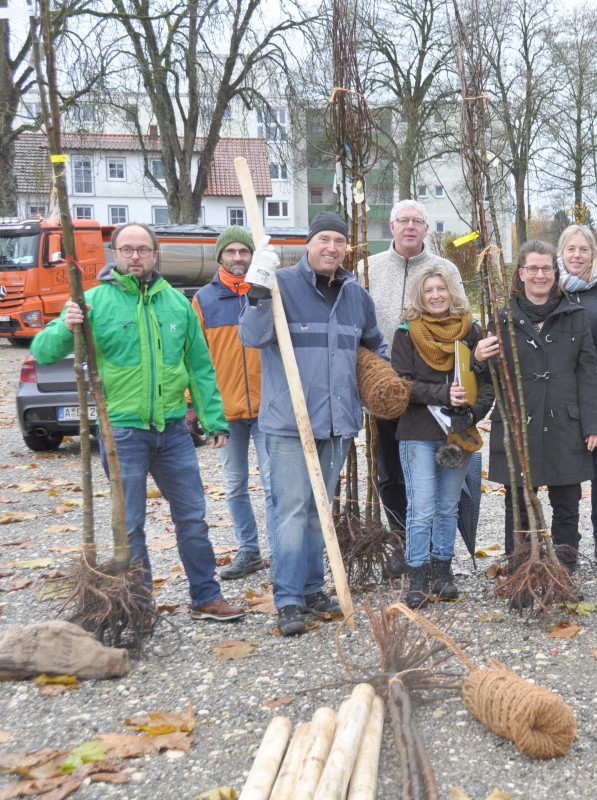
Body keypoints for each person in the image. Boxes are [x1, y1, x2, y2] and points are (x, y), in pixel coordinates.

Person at [31, 222, 245, 622]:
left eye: (142, 250)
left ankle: (206, 598)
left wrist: (214, 421)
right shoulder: (93, 302)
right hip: (122, 432)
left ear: (155, 254)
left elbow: (200, 367)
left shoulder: (177, 304)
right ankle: (140, 605)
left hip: (174, 431)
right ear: (114, 254)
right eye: (126, 249)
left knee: (193, 519)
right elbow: (43, 351)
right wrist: (67, 322)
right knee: (129, 527)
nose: (135, 257)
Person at [239, 211, 387, 637]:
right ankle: (287, 599)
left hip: (338, 424)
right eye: (323, 239)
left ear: (345, 249)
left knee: (318, 512)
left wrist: (388, 384)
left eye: (338, 242)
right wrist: (258, 292)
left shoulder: (355, 295)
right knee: (292, 510)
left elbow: (373, 348)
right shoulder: (281, 285)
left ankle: (310, 588)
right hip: (289, 423)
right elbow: (251, 337)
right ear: (309, 243)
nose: (331, 248)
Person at [475, 240, 597, 585]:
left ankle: (564, 563)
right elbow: (490, 379)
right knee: (518, 498)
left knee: (567, 498)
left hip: (565, 420)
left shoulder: (574, 315)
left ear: (555, 272)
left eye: (547, 268)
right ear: (521, 273)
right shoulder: (502, 318)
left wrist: (592, 423)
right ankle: (521, 563)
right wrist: (478, 360)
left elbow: (588, 373)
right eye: (532, 268)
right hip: (519, 421)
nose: (540, 275)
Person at [362, 199, 475, 578]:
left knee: (439, 481)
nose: (410, 226)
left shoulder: (444, 270)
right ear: (391, 227)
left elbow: (462, 322)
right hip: (387, 389)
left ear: (427, 229)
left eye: (417, 221)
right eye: (403, 221)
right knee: (391, 472)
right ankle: (401, 543)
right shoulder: (371, 269)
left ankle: (436, 555)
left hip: (441, 399)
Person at [390, 263, 494, 609]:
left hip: (458, 435)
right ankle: (417, 576)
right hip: (418, 432)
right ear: (420, 297)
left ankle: (442, 572)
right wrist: (443, 395)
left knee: (448, 506)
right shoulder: (406, 333)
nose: (436, 296)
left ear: (452, 292)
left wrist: (470, 415)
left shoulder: (471, 331)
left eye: (441, 289)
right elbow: (402, 384)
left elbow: (487, 386)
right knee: (421, 509)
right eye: (429, 291)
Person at [192, 226, 275, 580]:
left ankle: (281, 551)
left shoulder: (268, 291)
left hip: (269, 406)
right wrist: (195, 406)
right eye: (232, 252)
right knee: (235, 484)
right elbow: (193, 359)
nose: (238, 258)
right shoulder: (204, 300)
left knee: (275, 485)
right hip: (225, 413)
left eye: (244, 251)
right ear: (220, 256)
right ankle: (249, 550)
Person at [556, 224, 597, 569]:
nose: (577, 255)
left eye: (583, 249)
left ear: (593, 253)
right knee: (565, 472)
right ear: (560, 254)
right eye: (570, 249)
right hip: (561, 395)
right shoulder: (550, 291)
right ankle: (567, 542)